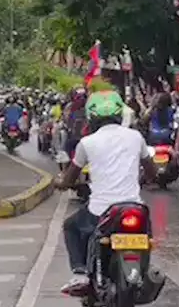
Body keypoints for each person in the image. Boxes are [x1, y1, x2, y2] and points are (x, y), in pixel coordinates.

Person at [55, 91, 155, 294]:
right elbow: (151, 170)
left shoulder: (87, 143)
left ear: (91, 117)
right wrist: (143, 179)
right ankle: (145, 270)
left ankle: (80, 274)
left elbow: (69, 178)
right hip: (134, 206)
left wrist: (61, 184)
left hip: (100, 210)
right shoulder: (136, 137)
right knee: (147, 233)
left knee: (71, 226)